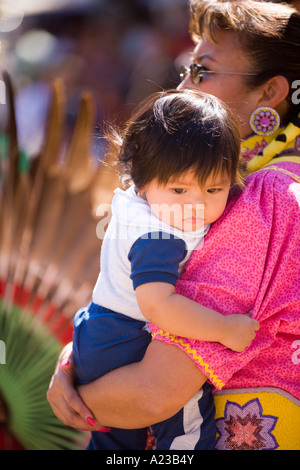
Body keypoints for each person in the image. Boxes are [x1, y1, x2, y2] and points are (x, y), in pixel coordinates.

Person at [47, 0, 300, 450]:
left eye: (202, 71)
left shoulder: (269, 197)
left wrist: (71, 396)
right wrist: (80, 358)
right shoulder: (235, 185)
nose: (182, 86)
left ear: (270, 93)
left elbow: (152, 394)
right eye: (186, 68)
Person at [72, 89, 259, 450]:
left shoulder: (140, 203)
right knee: (187, 428)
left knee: (115, 443)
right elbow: (158, 305)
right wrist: (224, 329)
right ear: (142, 178)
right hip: (128, 341)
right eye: (178, 188)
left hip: (100, 334)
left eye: (213, 188)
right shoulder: (160, 236)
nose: (196, 204)